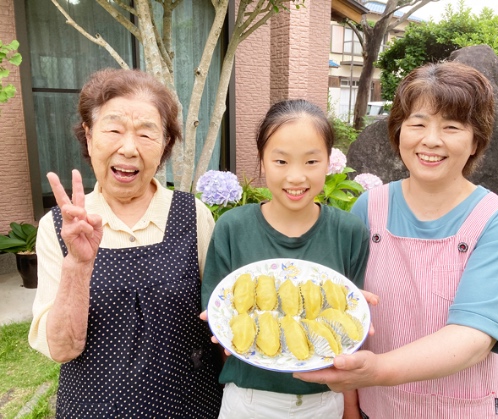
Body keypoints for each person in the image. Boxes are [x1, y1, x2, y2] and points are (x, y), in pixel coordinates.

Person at [294, 61, 498, 418]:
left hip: (467, 408)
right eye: (417, 123)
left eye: (451, 127)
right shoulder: (369, 207)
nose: (430, 140)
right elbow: (342, 307)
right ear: (398, 130)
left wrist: (377, 370)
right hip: (382, 407)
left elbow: (473, 339)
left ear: (475, 141)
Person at [28, 68, 222, 417]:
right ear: (89, 137)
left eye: (147, 134)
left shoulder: (192, 214)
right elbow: (61, 349)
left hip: (193, 405)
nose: (129, 148)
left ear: (165, 145)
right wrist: (78, 266)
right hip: (94, 408)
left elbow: (223, 312)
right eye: (114, 130)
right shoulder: (60, 226)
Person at [200, 99, 371, 418]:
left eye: (310, 162)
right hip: (248, 402)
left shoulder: (349, 232)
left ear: (328, 163)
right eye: (280, 161)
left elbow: (348, 331)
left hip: (325, 403)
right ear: (262, 161)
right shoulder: (233, 228)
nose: (296, 177)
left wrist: (350, 409)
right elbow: (220, 316)